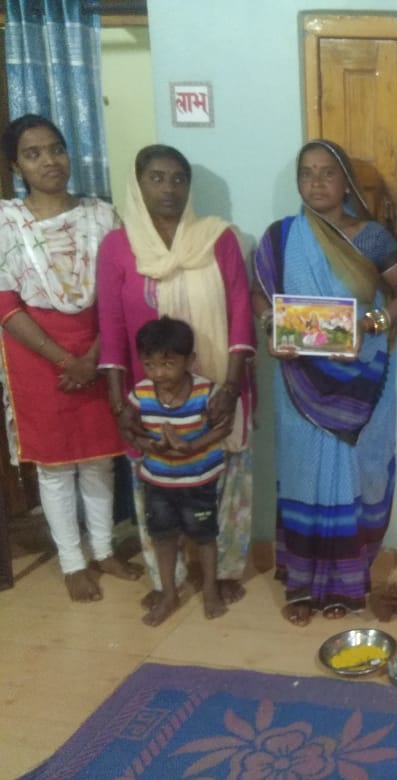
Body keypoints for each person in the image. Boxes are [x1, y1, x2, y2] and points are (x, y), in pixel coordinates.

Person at [253, 139, 397, 627]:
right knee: (303, 476)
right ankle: (302, 586)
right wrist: (271, 327)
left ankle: (346, 585)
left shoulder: (371, 238)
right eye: (306, 173)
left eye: (327, 173)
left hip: (358, 381)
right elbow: (260, 297)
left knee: (352, 477)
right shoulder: (280, 238)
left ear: (345, 182)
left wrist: (371, 324)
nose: (316, 182)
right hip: (299, 384)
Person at [97, 145, 256, 614]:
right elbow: (111, 328)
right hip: (151, 396)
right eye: (156, 178)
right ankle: (167, 579)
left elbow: (241, 314)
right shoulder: (118, 247)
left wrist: (229, 389)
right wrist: (119, 405)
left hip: (219, 387)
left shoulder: (217, 239)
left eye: (178, 179)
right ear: (138, 184)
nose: (169, 188)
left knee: (223, 481)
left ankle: (221, 573)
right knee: (157, 488)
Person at [0, 114, 142, 601]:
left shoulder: (102, 216)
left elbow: (120, 293)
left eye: (56, 149)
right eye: (33, 153)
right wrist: (66, 361)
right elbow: (5, 305)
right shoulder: (6, 223)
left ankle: (102, 550)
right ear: (16, 166)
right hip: (36, 352)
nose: (49, 161)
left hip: (100, 344)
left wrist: (95, 355)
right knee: (56, 465)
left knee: (99, 457)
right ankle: (71, 561)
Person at [129, 317, 231, 625]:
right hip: (158, 483)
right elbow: (131, 431)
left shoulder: (206, 391)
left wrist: (192, 446)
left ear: (190, 360)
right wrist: (151, 445)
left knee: (204, 537)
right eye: (150, 364)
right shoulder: (142, 393)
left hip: (199, 482)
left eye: (168, 364)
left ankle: (210, 590)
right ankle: (168, 594)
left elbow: (223, 428)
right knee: (163, 538)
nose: (158, 373)